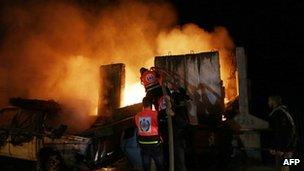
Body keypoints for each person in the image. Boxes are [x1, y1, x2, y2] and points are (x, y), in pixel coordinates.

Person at [134, 97, 165, 171]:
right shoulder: (155, 114)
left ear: (143, 105)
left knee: (146, 166)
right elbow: (160, 125)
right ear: (151, 105)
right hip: (155, 144)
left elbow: (138, 128)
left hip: (143, 145)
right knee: (160, 165)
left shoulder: (137, 116)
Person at [267, 95, 297, 170]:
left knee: (282, 167)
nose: (268, 103)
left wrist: (278, 147)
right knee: (286, 166)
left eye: (269, 101)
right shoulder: (285, 111)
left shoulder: (278, 113)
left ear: (274, 102)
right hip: (289, 145)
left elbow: (281, 132)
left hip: (283, 147)